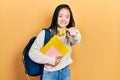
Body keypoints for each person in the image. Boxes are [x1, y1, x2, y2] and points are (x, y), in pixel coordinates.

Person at [29, 4, 81, 80]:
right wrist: (51, 60)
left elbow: (76, 40)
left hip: (65, 71)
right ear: (55, 17)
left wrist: (75, 33)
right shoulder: (45, 33)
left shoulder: (69, 33)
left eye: (67, 17)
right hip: (49, 73)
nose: (64, 19)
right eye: (60, 16)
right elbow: (32, 53)